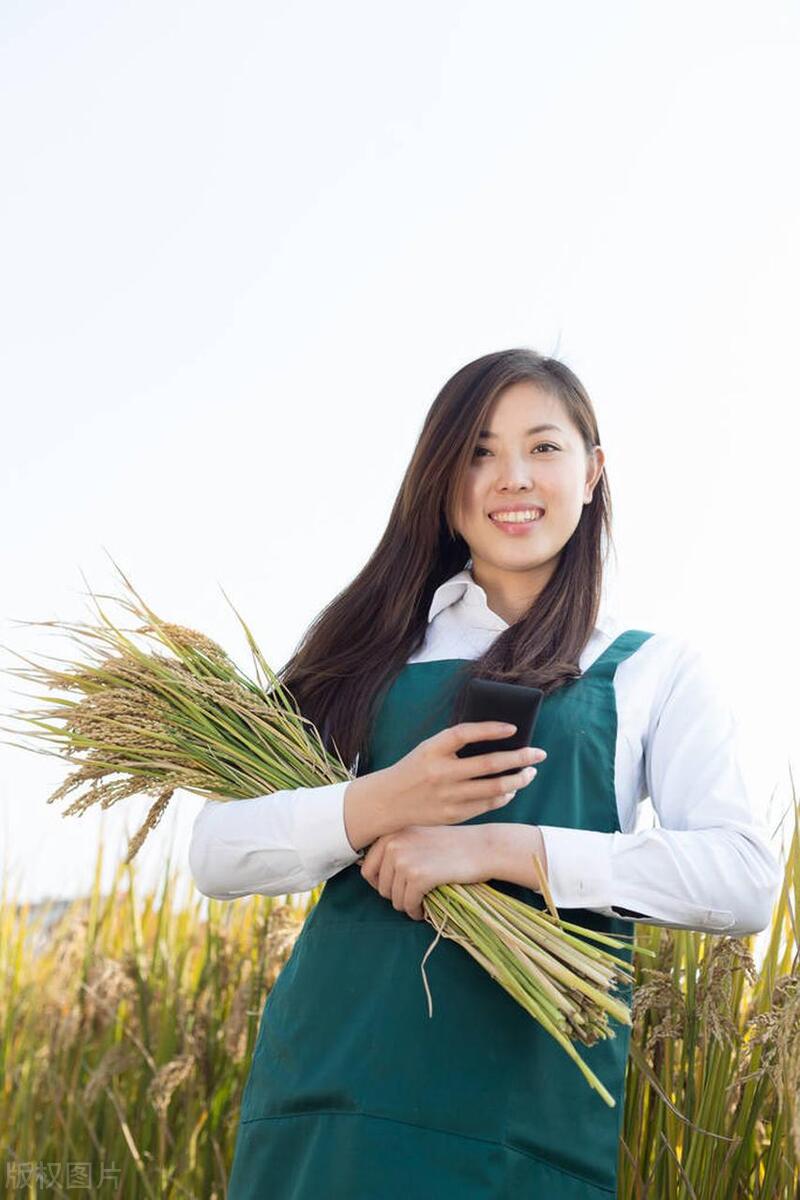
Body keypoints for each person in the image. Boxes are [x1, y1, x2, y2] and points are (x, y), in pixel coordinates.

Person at [189, 347, 781, 1199]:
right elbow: (216, 851)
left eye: (543, 447)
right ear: (442, 478)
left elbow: (743, 880)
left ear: (592, 473)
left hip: (522, 1118)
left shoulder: (653, 670)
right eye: (478, 451)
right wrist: (384, 801)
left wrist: (496, 848)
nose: (512, 477)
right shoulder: (367, 650)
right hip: (334, 1092)